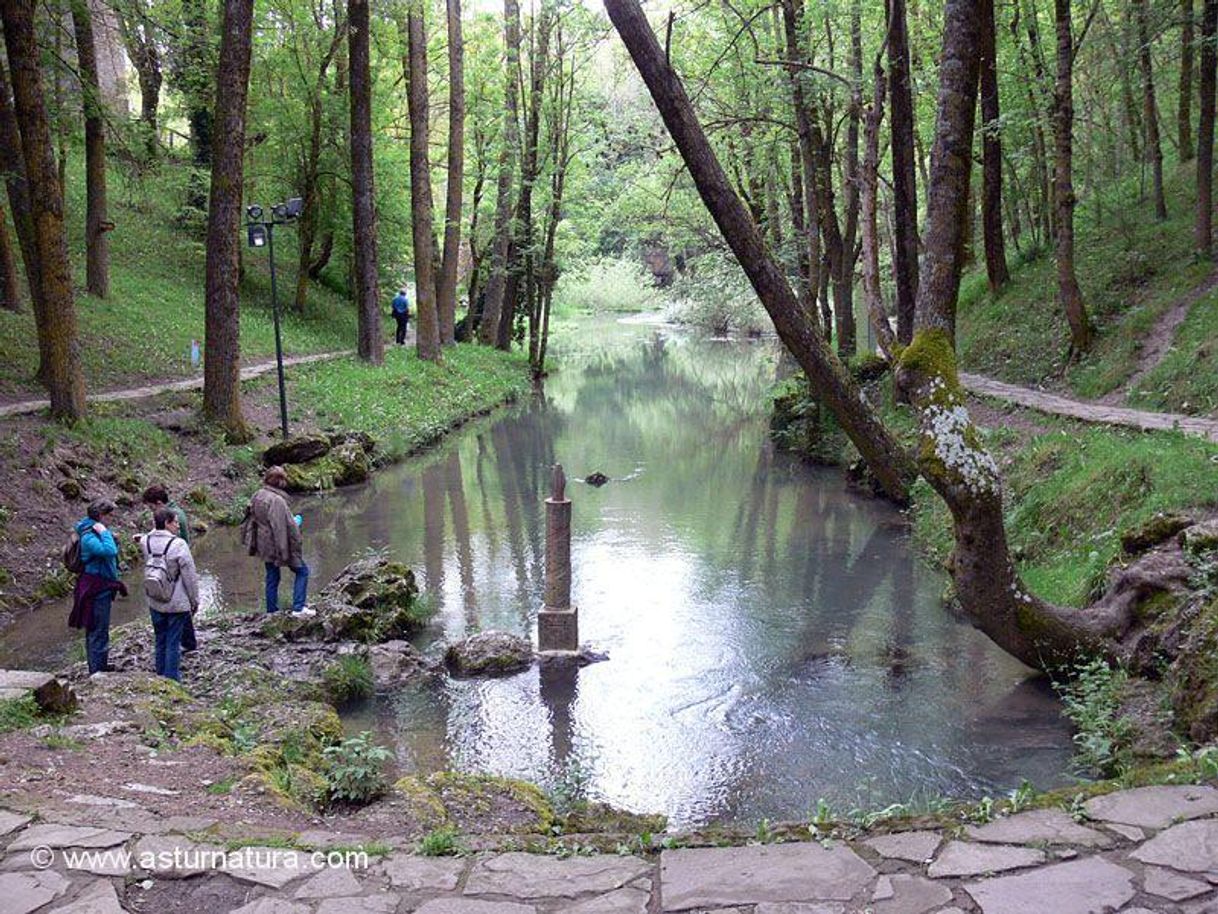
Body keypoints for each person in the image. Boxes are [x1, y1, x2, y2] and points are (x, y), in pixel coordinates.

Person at [241, 466, 314, 616]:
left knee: (272, 577)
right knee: (303, 571)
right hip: (278, 545)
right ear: (281, 482)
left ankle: (271, 611)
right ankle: (298, 608)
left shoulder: (258, 495)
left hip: (263, 544)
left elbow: (253, 518)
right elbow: (280, 527)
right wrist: (295, 524)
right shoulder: (277, 501)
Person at [142, 506, 199, 681]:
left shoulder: (145, 541)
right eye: (175, 522)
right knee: (173, 642)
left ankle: (159, 676)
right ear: (166, 523)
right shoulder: (179, 544)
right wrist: (194, 600)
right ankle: (172, 679)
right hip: (176, 601)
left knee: (160, 638)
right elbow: (190, 575)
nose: (178, 526)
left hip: (154, 598)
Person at [71, 499, 124, 674]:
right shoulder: (88, 535)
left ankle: (101, 664)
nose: (112, 519)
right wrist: (106, 534)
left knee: (100, 628)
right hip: (95, 589)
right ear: (101, 515)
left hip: (100, 586)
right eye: (110, 516)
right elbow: (109, 552)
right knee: (96, 628)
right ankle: (96, 670)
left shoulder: (93, 531)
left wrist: (108, 534)